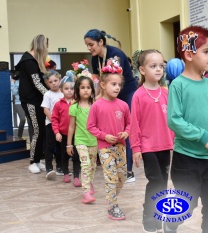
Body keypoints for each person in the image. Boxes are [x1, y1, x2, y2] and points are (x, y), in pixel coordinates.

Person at [166, 25, 208, 233]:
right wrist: (203, 136)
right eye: (206, 52)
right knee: (187, 204)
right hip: (187, 159)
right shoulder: (178, 85)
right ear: (189, 54)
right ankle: (170, 224)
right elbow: (174, 120)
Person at [84, 29, 138, 183]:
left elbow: (116, 80)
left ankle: (127, 170)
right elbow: (97, 81)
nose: (89, 48)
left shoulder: (116, 54)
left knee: (125, 129)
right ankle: (113, 163)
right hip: (108, 92)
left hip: (126, 91)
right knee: (108, 127)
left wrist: (101, 97)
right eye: (87, 45)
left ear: (101, 42)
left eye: (91, 44)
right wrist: (95, 98)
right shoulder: (95, 59)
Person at [130, 50, 174, 232]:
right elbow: (134, 124)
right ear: (142, 69)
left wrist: (176, 140)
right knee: (155, 181)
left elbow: (172, 120)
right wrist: (135, 148)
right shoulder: (138, 95)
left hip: (165, 146)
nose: (158, 70)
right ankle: (148, 214)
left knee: (163, 182)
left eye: (161, 66)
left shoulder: (166, 93)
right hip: (148, 147)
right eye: (153, 66)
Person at [87, 61, 130, 220]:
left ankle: (111, 196)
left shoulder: (124, 105)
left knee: (122, 176)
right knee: (110, 177)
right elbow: (90, 127)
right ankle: (112, 205)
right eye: (113, 84)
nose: (117, 87)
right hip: (104, 148)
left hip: (120, 147)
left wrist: (126, 132)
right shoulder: (96, 106)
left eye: (119, 84)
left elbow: (130, 124)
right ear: (103, 85)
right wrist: (104, 136)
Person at [15, 34, 49, 174]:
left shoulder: (32, 61)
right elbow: (36, 83)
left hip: (37, 101)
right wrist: (50, 95)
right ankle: (32, 161)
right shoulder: (29, 62)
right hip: (31, 101)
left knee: (41, 130)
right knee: (36, 131)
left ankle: (38, 159)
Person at [67, 76, 97, 203]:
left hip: (94, 141)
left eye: (88, 87)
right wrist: (69, 144)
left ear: (92, 90)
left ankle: (89, 182)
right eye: (82, 87)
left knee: (92, 166)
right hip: (80, 141)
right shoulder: (74, 107)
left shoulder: (96, 105)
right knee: (85, 165)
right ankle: (85, 192)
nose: (85, 90)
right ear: (77, 90)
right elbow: (71, 127)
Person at [51, 75, 81, 186]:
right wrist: (57, 132)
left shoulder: (78, 104)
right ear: (61, 90)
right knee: (64, 155)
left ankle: (77, 177)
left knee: (76, 156)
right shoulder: (58, 104)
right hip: (63, 135)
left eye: (71, 88)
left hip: (77, 135)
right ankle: (66, 174)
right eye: (66, 88)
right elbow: (54, 119)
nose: (69, 91)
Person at [41, 70, 64, 180]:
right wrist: (54, 122)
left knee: (60, 147)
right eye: (51, 82)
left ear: (60, 80)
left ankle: (60, 167)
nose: (54, 83)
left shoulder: (64, 93)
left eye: (56, 80)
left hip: (62, 125)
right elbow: (46, 109)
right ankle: (49, 168)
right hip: (50, 124)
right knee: (50, 146)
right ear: (47, 84)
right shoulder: (47, 94)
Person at [11, 74, 33, 140]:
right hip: (19, 103)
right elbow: (14, 92)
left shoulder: (28, 82)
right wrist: (12, 83)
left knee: (30, 121)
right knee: (23, 119)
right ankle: (19, 136)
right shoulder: (16, 82)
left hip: (28, 103)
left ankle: (32, 139)